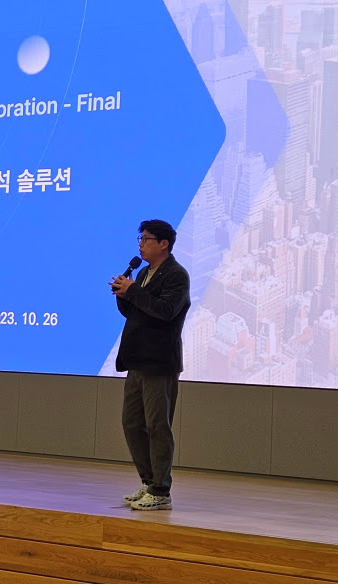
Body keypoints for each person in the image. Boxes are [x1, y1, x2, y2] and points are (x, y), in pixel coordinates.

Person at [110, 219, 190, 512]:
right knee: (132, 423)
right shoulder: (143, 273)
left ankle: (161, 491)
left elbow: (165, 311)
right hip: (137, 360)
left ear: (163, 244)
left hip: (159, 362)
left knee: (157, 426)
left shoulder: (176, 275)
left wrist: (133, 291)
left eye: (146, 239)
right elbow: (138, 313)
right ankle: (148, 481)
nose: (141, 244)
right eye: (140, 239)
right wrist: (124, 295)